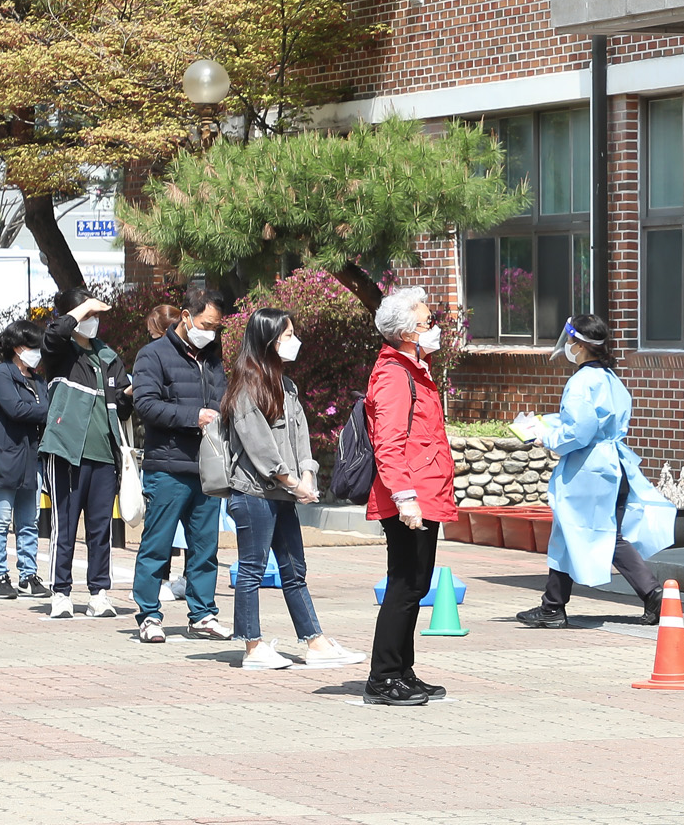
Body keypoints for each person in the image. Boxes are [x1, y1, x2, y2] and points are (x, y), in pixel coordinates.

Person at [222, 307, 363, 671]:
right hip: (254, 495)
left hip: (283, 494)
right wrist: (292, 481)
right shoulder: (245, 388)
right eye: (286, 336)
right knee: (252, 570)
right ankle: (252, 647)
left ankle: (314, 642)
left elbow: (300, 436)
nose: (293, 341)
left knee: (294, 569)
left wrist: (308, 475)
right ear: (268, 341)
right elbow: (260, 448)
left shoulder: (286, 386)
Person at [514, 315, 673, 629]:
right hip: (612, 465)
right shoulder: (610, 378)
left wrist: (543, 435)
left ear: (578, 344)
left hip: (589, 471)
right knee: (583, 533)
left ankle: (556, 607)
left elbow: (580, 431)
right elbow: (594, 424)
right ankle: (554, 605)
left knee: (579, 532)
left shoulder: (581, 382)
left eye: (570, 341)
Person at [362, 286, 457, 706]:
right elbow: (389, 442)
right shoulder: (394, 374)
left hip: (424, 490)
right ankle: (383, 678)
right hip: (410, 496)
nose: (432, 327)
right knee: (404, 584)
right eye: (425, 321)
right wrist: (404, 497)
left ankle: (402, 670)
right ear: (405, 331)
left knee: (416, 584)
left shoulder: (415, 369)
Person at [129, 291, 234, 643]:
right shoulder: (153, 355)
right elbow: (145, 404)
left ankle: (202, 614)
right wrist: (194, 417)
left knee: (205, 548)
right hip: (168, 467)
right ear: (186, 317)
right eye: (206, 325)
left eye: (216, 328)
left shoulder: (213, 359)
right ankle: (148, 615)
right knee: (156, 543)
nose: (211, 333)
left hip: (208, 468)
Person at [39, 289, 129, 620]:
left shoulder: (109, 357)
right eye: (86, 314)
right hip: (66, 451)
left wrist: (130, 393)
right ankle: (60, 592)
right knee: (64, 525)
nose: (92, 321)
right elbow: (54, 334)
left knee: (100, 529)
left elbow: (122, 406)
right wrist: (84, 307)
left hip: (104, 454)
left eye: (95, 315)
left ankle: (99, 593)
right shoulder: (60, 352)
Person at [0, 320, 50, 599]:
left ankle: (28, 575)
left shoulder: (38, 379)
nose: (36, 352)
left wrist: (43, 408)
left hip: (30, 460)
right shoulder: (0, 374)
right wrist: (47, 409)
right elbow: (17, 409)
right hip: (1, 458)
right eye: (31, 346)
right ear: (17, 347)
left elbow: (41, 408)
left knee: (29, 522)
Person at [142, 304, 189, 604]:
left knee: (171, 529)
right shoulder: (153, 356)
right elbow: (147, 404)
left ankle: (174, 583)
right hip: (170, 458)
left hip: (183, 460)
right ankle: (161, 592)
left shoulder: (201, 358)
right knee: (172, 530)